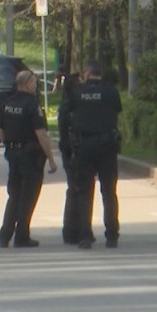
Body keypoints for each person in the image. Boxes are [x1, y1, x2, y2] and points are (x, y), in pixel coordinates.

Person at [0, 70, 58, 248]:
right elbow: (41, 134)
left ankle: (5, 235)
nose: (36, 85)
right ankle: (22, 235)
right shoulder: (32, 105)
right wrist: (51, 159)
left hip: (13, 154)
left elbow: (0, 131)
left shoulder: (7, 103)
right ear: (27, 84)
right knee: (28, 196)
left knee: (14, 194)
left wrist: (9, 145)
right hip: (30, 156)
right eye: (34, 82)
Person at [69, 60, 123, 249]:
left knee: (85, 191)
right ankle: (112, 235)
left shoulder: (77, 92)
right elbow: (117, 110)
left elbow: (70, 112)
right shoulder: (110, 91)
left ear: (86, 73)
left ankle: (84, 235)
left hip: (84, 145)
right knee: (109, 192)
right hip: (107, 145)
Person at [57, 71, 94, 245]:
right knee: (78, 190)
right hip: (73, 151)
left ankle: (71, 230)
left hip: (68, 150)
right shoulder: (71, 107)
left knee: (74, 190)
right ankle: (75, 230)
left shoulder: (66, 104)